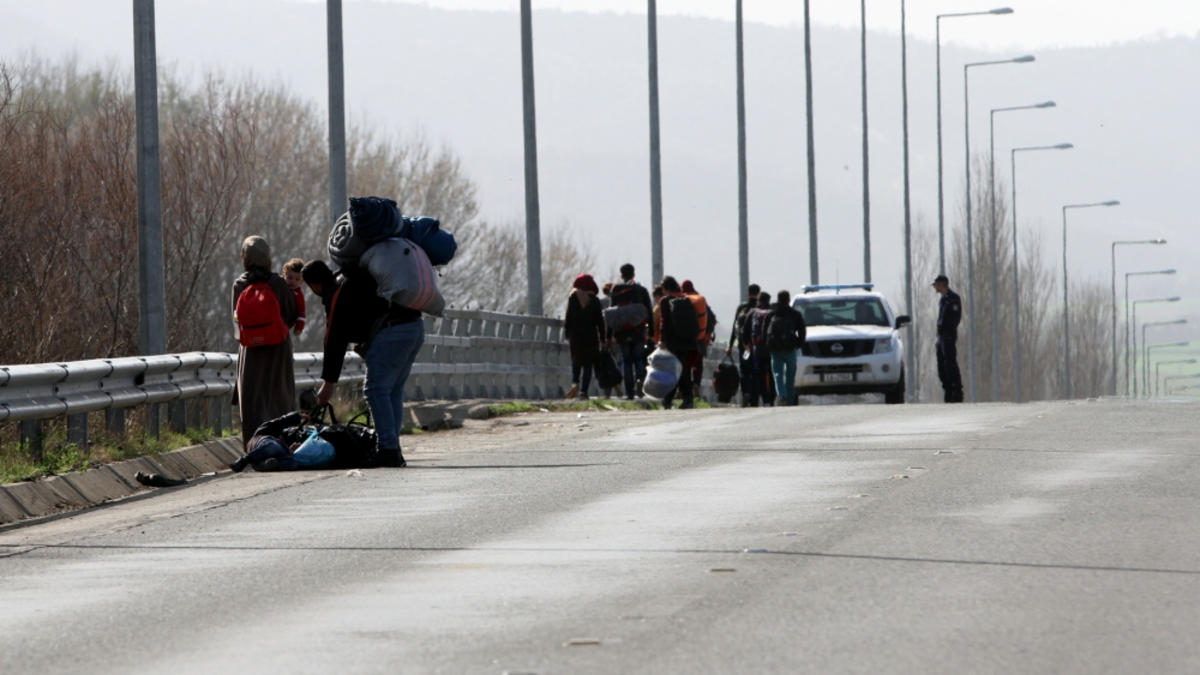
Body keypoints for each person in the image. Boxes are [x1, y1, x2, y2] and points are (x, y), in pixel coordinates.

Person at [231, 236, 298, 448]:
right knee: (280, 394)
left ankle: (255, 446)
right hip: (278, 348)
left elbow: (236, 319)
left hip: (249, 349)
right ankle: (283, 444)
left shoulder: (239, 284)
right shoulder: (278, 283)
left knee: (252, 397)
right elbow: (291, 313)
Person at [609, 263, 655, 400]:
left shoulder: (616, 290)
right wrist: (651, 331)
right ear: (634, 275)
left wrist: (609, 335)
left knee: (627, 361)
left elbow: (612, 314)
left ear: (622, 276)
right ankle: (640, 380)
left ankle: (630, 392)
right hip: (638, 332)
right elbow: (649, 313)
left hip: (622, 332)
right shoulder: (642, 290)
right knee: (639, 358)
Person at [657, 276, 701, 410]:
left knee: (675, 371)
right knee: (682, 370)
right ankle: (673, 399)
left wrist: (662, 340)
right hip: (687, 340)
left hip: (673, 341)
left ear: (665, 288)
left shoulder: (665, 301)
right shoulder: (685, 299)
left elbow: (663, 321)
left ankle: (682, 399)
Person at [563, 273, 605, 400]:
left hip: (575, 336)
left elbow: (568, 317)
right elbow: (600, 322)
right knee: (588, 365)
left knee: (576, 360)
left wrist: (566, 333)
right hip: (590, 336)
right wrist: (602, 338)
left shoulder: (573, 299)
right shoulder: (595, 301)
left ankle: (575, 383)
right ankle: (584, 392)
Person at [765, 290, 806, 406]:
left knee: (777, 374)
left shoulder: (772, 314)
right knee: (790, 375)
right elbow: (802, 331)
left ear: (777, 300)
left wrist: (768, 345)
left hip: (775, 349)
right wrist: (798, 344)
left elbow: (765, 331)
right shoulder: (795, 314)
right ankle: (789, 399)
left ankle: (781, 395)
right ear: (789, 300)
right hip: (790, 349)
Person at [727, 283, 761, 407]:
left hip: (744, 346)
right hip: (758, 347)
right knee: (756, 372)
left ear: (748, 294)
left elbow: (734, 328)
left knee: (745, 371)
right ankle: (754, 400)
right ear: (759, 294)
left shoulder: (741, 308)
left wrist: (730, 345)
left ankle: (746, 392)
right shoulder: (760, 308)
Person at [933, 274, 964, 403]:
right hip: (941, 337)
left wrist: (949, 333)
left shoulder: (953, 299)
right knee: (941, 365)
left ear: (941, 284)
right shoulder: (943, 300)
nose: (935, 287)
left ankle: (956, 390)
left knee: (950, 363)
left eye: (936, 284)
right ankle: (947, 389)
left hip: (948, 336)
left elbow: (955, 318)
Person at [681, 280, 710, 399]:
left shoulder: (683, 300)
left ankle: (687, 389)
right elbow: (710, 319)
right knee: (698, 364)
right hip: (701, 338)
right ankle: (697, 383)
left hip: (687, 339)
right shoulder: (701, 300)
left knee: (686, 364)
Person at [282, 258, 307, 337]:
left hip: (286, 323)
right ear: (284, 276)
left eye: (297, 279)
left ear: (302, 281)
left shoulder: (298, 295)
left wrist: (299, 327)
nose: (293, 281)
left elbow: (301, 312)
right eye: (290, 278)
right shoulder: (280, 287)